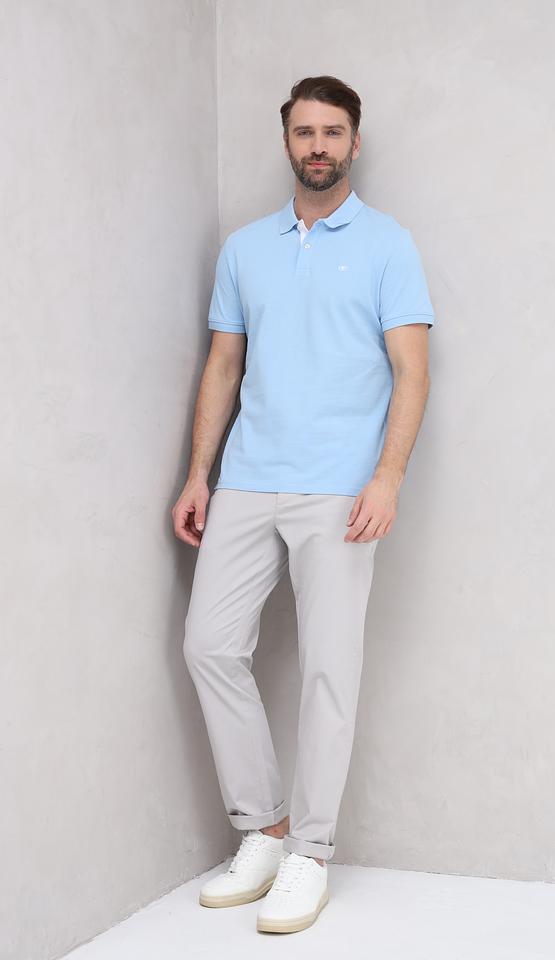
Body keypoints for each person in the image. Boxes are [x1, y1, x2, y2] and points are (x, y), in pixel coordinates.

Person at [174, 75, 436, 935]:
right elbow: (224, 365)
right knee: (210, 644)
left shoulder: (390, 244)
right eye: (303, 132)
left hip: (341, 487)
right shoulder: (245, 249)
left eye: (332, 132)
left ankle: (311, 853)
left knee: (329, 667)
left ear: (354, 142)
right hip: (248, 476)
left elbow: (411, 370)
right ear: (286, 141)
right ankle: (264, 828)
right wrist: (199, 473)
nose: (317, 145)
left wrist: (388, 476)